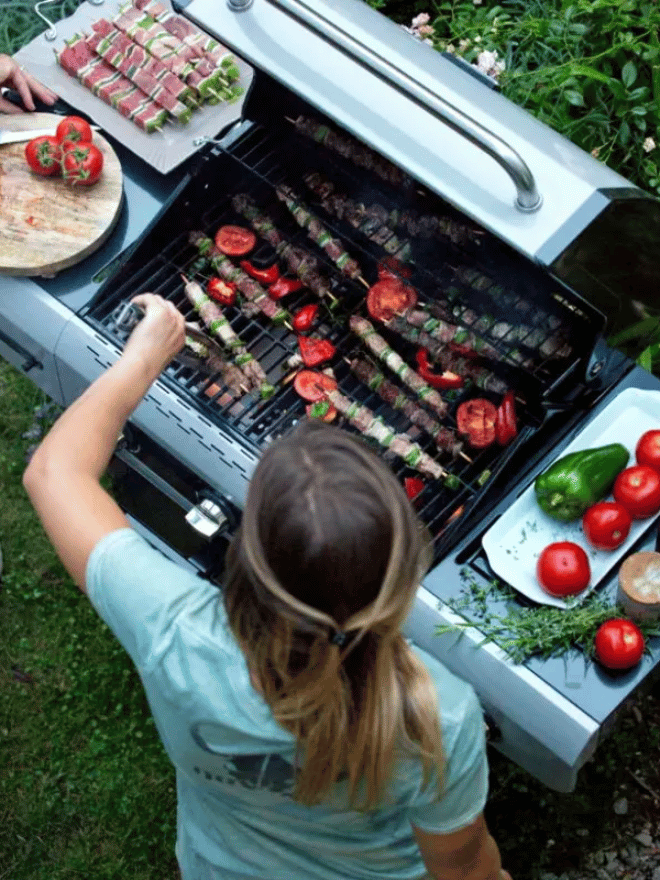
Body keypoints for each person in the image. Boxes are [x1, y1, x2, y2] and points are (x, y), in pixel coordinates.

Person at [23, 293, 513, 880]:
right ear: (403, 579)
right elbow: (464, 871)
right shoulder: (436, 717)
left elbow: (55, 472)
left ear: (245, 562)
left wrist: (145, 355)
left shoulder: (170, 628)